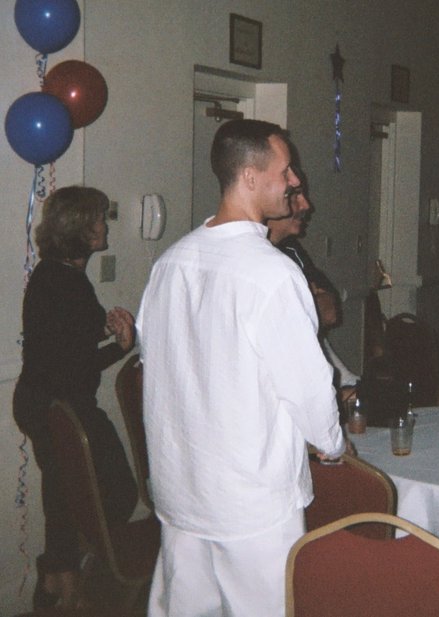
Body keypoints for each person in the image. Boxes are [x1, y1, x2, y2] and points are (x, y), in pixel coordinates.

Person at [136, 119, 347, 617]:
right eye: (286, 170)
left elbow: (157, 363)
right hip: (250, 502)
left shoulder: (169, 263)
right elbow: (308, 387)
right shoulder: (272, 272)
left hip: (182, 487)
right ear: (250, 177)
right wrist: (333, 444)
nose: (294, 181)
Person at [13, 186, 138, 609]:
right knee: (115, 491)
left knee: (64, 495)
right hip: (58, 405)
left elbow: (63, 339)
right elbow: (73, 366)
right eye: (99, 218)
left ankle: (57, 580)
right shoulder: (65, 281)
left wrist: (104, 329)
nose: (105, 225)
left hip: (46, 400)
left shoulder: (56, 274)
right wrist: (120, 348)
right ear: (82, 230)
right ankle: (68, 576)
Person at [267, 181, 360, 392]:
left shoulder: (291, 248)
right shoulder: (259, 257)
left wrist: (304, 302)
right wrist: (309, 300)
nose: (306, 205)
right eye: (296, 196)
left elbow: (329, 311)